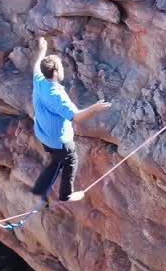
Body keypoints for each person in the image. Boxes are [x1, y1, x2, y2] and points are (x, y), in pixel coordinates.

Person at [29, 36, 111, 205]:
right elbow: (77, 117)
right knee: (70, 160)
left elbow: (36, 66)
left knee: (57, 160)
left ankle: (39, 189)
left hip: (43, 134)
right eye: (61, 68)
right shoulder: (57, 95)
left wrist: (42, 50)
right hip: (58, 140)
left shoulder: (39, 80)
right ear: (55, 73)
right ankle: (66, 195)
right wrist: (95, 108)